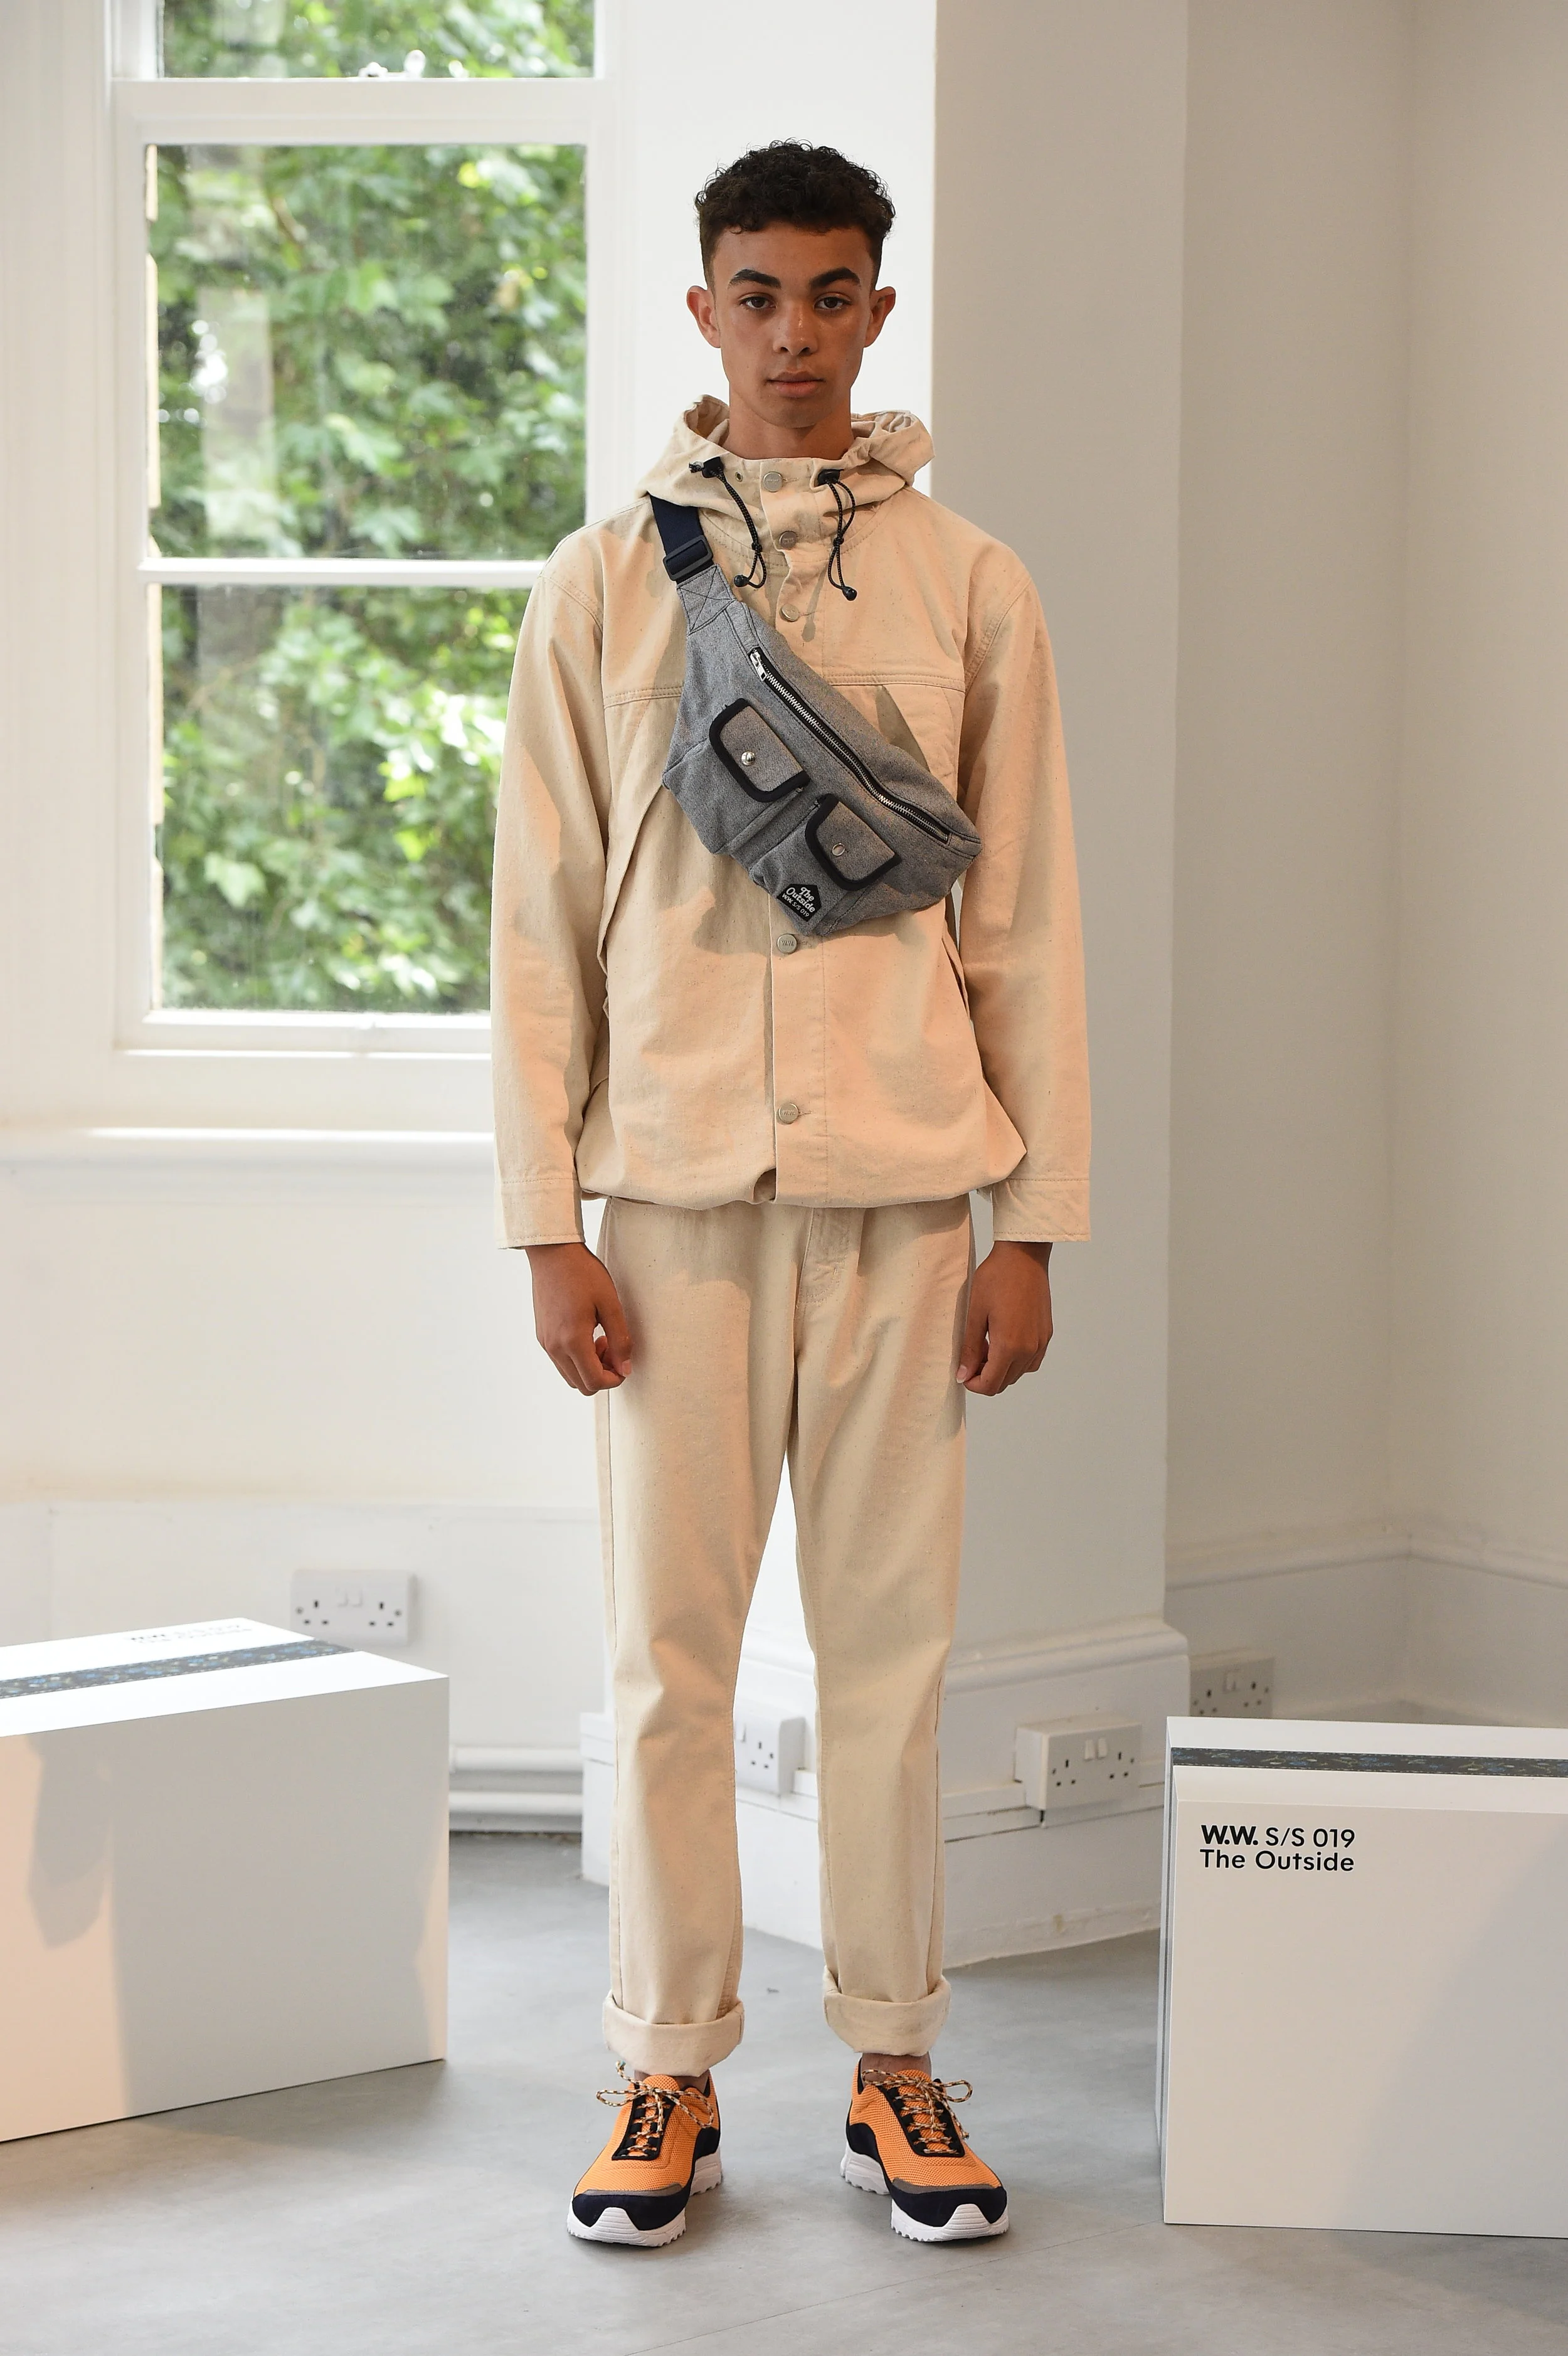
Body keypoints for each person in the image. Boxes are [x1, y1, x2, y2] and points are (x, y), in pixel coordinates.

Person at [490, 141, 1089, 2249]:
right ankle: (662, 2062)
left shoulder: (971, 585)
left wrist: (1031, 1225)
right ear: (703, 310)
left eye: (832, 294)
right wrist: (545, 1223)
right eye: (758, 293)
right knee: (665, 1657)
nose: (795, 334)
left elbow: (1025, 926)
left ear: (876, 310)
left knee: (891, 1657)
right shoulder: (600, 583)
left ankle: (895, 2061)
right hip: (664, 1202)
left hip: (908, 1198)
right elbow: (538, 925)